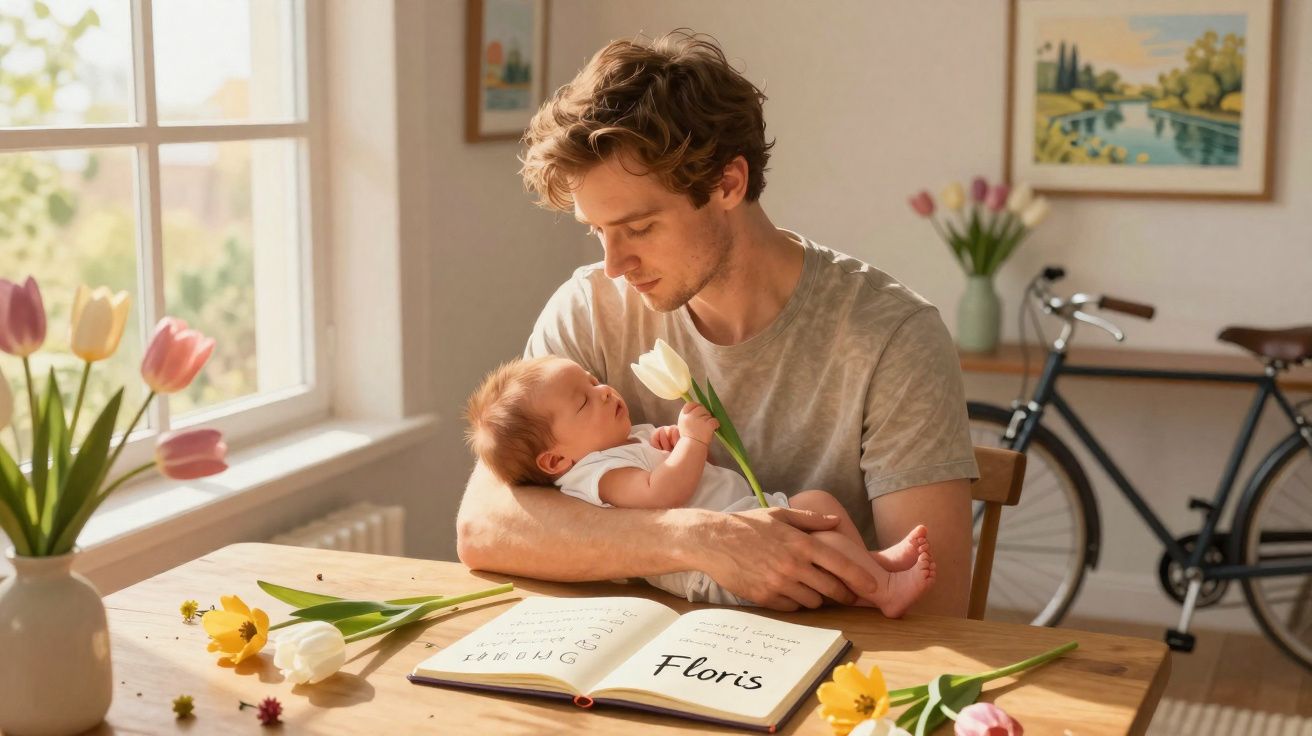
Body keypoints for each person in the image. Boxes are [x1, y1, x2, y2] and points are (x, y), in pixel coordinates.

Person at [455, 30, 978, 615]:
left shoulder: (892, 337)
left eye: (640, 227)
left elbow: (939, 612)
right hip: (642, 660)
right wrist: (702, 541)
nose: (613, 264)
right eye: (596, 231)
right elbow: (485, 529)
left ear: (727, 184)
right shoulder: (589, 310)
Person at [464, 355, 937, 618]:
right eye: (583, 402)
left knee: (820, 506)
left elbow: (693, 477)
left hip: (747, 515)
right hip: (715, 565)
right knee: (820, 536)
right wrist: (690, 442)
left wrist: (678, 448)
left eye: (594, 381)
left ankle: (871, 566)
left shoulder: (632, 440)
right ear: (556, 460)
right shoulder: (594, 475)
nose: (604, 391)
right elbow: (661, 496)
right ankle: (881, 591)